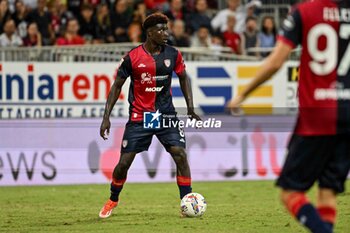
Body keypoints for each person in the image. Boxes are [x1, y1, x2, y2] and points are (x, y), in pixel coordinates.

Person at [227, 1, 350, 233]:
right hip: (347, 113)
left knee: (290, 193)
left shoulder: (304, 12)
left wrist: (243, 93)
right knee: (328, 191)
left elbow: (275, 62)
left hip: (317, 115)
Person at [99, 13, 201, 219]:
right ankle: (113, 199)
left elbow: (183, 78)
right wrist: (106, 117)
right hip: (140, 117)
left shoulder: (173, 54)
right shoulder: (132, 57)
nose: (166, 33)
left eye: (167, 29)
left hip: (166, 115)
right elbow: (117, 85)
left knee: (180, 155)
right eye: (161, 30)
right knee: (124, 164)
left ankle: (187, 201)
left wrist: (190, 107)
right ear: (150, 32)